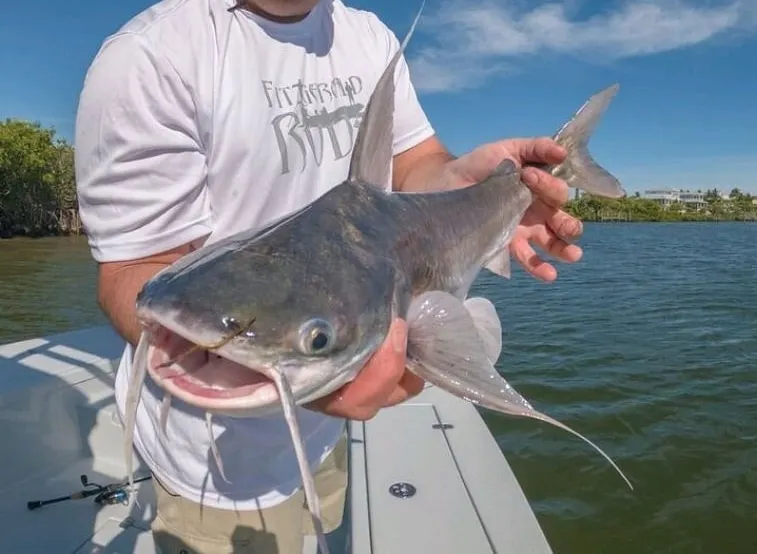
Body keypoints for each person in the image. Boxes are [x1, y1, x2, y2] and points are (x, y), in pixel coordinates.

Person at [74, 0, 585, 552]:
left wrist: (474, 183)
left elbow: (414, 166)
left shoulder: (367, 34)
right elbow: (131, 270)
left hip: (322, 429)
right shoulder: (152, 56)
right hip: (213, 460)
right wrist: (314, 362)